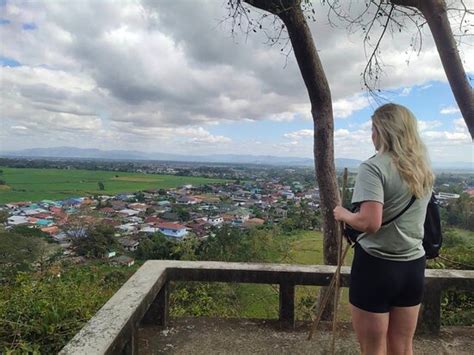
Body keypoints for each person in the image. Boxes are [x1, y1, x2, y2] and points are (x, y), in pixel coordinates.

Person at [333, 103, 434, 355]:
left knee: (373, 349)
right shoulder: (423, 169)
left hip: (376, 267)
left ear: (383, 130)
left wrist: (343, 213)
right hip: (412, 266)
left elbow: (370, 223)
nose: (372, 135)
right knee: (402, 347)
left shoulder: (374, 167)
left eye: (373, 129)